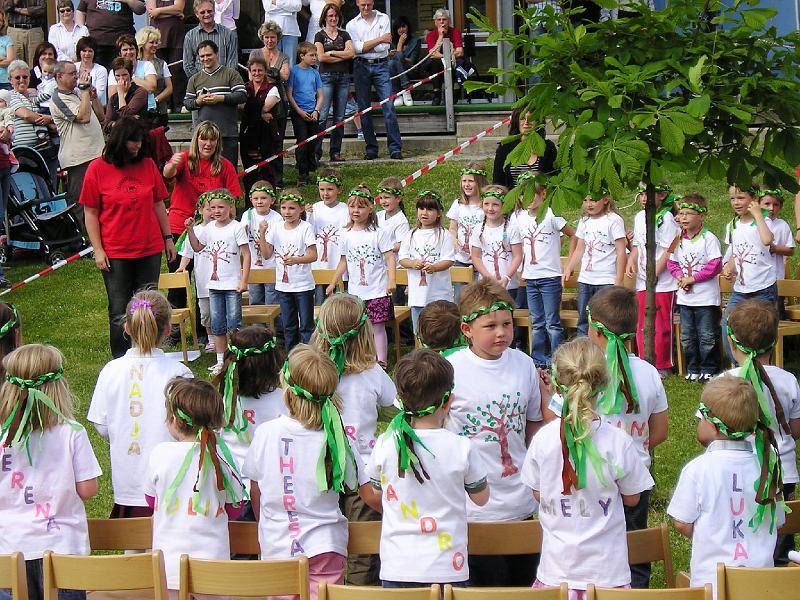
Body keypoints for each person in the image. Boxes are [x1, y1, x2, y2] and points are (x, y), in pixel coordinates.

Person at [522, 337, 654, 595]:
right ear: (604, 385)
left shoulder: (542, 439)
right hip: (607, 577)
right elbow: (633, 498)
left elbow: (537, 492)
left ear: (558, 387)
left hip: (556, 575)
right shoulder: (619, 441)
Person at [243, 344, 371, 597]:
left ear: (287, 392)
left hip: (277, 545)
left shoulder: (266, 433)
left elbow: (255, 489)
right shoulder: (337, 436)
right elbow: (360, 485)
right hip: (326, 545)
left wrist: (263, 523)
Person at [446, 278, 543, 586]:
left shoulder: (524, 364)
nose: (501, 332)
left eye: (507, 323)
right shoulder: (449, 370)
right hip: (474, 509)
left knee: (523, 585)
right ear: (467, 330)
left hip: (520, 501)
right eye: (490, 326)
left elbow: (533, 424)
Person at [365, 349, 489, 588]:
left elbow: (376, 491)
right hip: (448, 568)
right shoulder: (462, 447)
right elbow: (481, 498)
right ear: (449, 400)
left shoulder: (386, 443)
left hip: (397, 567)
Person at [575, 286, 668, 588]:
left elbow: (559, 421)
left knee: (590, 549)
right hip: (635, 480)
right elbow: (660, 431)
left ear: (595, 330)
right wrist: (632, 448)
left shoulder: (582, 373)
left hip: (590, 480)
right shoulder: (650, 373)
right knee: (634, 551)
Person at [0, 344, 102, 600]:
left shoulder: (2, 435)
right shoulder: (72, 432)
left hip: (9, 552)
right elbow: (88, 490)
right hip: (62, 551)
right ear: (58, 387)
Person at [668, 375, 783, 596]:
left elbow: (682, 523)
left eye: (699, 417)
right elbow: (777, 521)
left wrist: (712, 532)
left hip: (712, 589)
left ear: (712, 426)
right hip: (762, 588)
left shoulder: (697, 470)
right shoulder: (767, 470)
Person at [311, 293, 396, 585]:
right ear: (364, 334)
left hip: (323, 471)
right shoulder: (373, 374)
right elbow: (396, 408)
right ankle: (360, 589)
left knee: (325, 541)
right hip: (363, 475)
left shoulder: (309, 374)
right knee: (363, 547)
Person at [87, 291, 192, 519]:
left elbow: (101, 425)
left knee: (132, 551)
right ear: (167, 329)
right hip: (170, 481)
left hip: (129, 481)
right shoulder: (178, 372)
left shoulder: (111, 371)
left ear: (127, 328)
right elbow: (192, 426)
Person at [80, 117, 175, 358]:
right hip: (116, 251)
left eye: (141, 141)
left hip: (149, 248)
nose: (138, 146)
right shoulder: (97, 169)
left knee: (148, 306)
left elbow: (158, 204)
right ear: (120, 141)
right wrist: (98, 249)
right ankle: (121, 360)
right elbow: (90, 213)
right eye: (134, 141)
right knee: (119, 309)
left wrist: (168, 238)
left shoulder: (147, 165)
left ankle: (149, 353)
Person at [145, 376, 247, 594]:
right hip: (214, 566)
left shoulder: (160, 454)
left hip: (167, 568)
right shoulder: (225, 455)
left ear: (174, 419)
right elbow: (235, 508)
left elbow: (151, 500)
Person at [724, 299, 800, 565]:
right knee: (779, 536)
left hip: (736, 473)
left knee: (741, 531)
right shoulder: (788, 380)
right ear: (775, 341)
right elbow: (796, 429)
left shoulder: (724, 383)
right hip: (782, 474)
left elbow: (706, 433)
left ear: (731, 343)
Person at [326, 186, 396, 367]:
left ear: (371, 208)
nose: (356, 211)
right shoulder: (345, 234)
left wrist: (391, 280)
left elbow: (389, 258)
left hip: (377, 289)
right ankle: (360, 358)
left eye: (361, 207)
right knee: (357, 327)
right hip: (356, 291)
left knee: (377, 326)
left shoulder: (379, 233)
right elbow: (344, 260)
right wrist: (333, 282)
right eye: (352, 207)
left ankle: (381, 361)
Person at [184, 189, 250, 377]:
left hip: (232, 285)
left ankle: (238, 358)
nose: (216, 211)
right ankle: (220, 361)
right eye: (213, 208)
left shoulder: (236, 227)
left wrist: (244, 280)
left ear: (230, 207)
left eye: (221, 207)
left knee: (234, 323)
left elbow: (246, 254)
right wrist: (190, 230)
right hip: (214, 286)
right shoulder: (208, 228)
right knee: (218, 324)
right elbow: (197, 247)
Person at [514, 176, 573, 368]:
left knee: (552, 322)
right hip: (531, 278)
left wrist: (568, 262)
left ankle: (557, 358)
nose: (529, 199)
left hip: (550, 277)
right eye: (524, 195)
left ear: (543, 195)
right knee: (537, 321)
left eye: (534, 194)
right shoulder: (519, 218)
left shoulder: (551, 215)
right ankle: (538, 359)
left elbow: (573, 236)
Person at [214, 325, 285, 475]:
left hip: (232, 480)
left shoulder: (221, 400)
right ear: (273, 362)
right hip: (272, 480)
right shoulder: (284, 400)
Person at [626, 182, 681, 376]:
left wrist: (655, 270)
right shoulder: (640, 217)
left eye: (648, 194)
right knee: (642, 322)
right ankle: (644, 362)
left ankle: (662, 365)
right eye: (641, 194)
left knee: (660, 325)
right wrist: (631, 260)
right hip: (643, 281)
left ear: (662, 195)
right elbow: (637, 244)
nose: (643, 198)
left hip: (663, 284)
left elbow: (670, 248)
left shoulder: (666, 218)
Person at [666, 194, 722, 382]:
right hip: (685, 299)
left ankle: (709, 368)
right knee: (687, 336)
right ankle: (693, 367)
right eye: (681, 213)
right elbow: (671, 262)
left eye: (689, 213)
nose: (683, 217)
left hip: (706, 299)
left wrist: (693, 279)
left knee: (706, 335)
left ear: (701, 216)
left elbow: (715, 265)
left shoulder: (709, 238)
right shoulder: (677, 239)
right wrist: (680, 277)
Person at [721, 184, 776, 363]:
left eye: (741, 198)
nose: (736, 203)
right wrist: (730, 267)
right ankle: (739, 364)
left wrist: (758, 214)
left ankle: (762, 366)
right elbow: (736, 252)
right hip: (741, 289)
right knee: (727, 324)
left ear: (753, 199)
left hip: (763, 288)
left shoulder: (763, 220)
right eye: (732, 198)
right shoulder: (733, 225)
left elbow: (767, 240)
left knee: (762, 329)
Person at [259, 189, 318, 350]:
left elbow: (313, 255)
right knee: (288, 325)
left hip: (303, 285)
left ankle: (308, 355)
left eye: (292, 208)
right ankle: (290, 357)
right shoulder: (276, 228)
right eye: (284, 208)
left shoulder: (305, 228)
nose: (287, 212)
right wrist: (262, 234)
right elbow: (266, 254)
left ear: (300, 209)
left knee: (306, 325)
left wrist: (297, 260)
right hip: (283, 286)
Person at [563, 192, 627, 336]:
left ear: (605, 200)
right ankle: (584, 354)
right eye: (585, 200)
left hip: (606, 280)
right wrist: (569, 267)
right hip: (586, 280)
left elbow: (621, 252)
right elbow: (580, 249)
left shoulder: (613, 220)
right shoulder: (584, 221)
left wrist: (618, 279)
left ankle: (605, 354)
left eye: (593, 200)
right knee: (583, 320)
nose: (588, 204)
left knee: (606, 320)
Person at [346, 0, 403, 160]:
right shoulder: (351, 25)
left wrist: (366, 45)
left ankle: (395, 148)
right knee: (364, 108)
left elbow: (384, 47)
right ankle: (371, 148)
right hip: (360, 66)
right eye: (363, 4)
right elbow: (356, 49)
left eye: (369, 4)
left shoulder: (383, 18)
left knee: (389, 106)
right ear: (357, 3)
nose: (366, 8)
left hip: (381, 64)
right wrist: (378, 40)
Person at [50, 60, 105, 225]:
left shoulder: (77, 93)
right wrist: (85, 91)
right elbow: (83, 118)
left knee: (100, 197)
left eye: (76, 73)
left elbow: (101, 117)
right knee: (81, 201)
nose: (76, 77)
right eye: (72, 73)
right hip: (79, 158)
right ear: (59, 76)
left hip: (95, 153)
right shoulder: (58, 98)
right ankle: (79, 241)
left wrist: (92, 97)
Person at [398, 189, 455, 332]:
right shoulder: (411, 235)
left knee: (440, 329)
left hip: (439, 294)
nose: (424, 212)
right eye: (421, 208)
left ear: (439, 213)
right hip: (417, 296)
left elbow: (448, 260)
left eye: (430, 209)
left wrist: (435, 267)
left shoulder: (444, 235)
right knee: (419, 330)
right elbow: (403, 258)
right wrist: (412, 263)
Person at [184, 39, 247, 167]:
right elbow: (187, 103)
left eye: (208, 55)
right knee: (206, 171)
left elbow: (242, 96)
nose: (205, 58)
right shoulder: (194, 79)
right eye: (202, 56)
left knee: (228, 170)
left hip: (227, 133)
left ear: (216, 54)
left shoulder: (231, 74)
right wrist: (198, 101)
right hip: (205, 137)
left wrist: (220, 98)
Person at [313, 2, 352, 163]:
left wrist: (333, 52)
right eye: (330, 16)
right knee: (322, 117)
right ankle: (316, 152)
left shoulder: (345, 35)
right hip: (326, 77)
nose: (333, 18)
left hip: (343, 77)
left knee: (339, 117)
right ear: (325, 17)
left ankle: (335, 152)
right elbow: (321, 57)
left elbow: (351, 54)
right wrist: (342, 54)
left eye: (335, 15)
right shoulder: (319, 35)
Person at [176, 194, 215, 351]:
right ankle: (211, 338)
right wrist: (182, 266)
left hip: (223, 280)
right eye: (208, 209)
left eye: (215, 208)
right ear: (200, 210)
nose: (212, 212)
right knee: (206, 313)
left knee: (222, 311)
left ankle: (227, 338)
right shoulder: (195, 231)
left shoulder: (226, 227)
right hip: (203, 280)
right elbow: (188, 252)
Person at [7, 59, 56, 179]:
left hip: (45, 147)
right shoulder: (10, 95)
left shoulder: (37, 95)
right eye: (17, 78)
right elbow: (25, 114)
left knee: (49, 184)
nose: (22, 80)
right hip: (24, 151)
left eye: (25, 77)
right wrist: (49, 120)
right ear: (10, 80)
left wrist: (50, 119)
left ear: (29, 78)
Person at [240, 57, 283, 190]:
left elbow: (266, 107)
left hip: (267, 136)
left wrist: (253, 108)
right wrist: (261, 113)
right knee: (249, 172)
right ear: (249, 71)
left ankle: (270, 205)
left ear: (265, 71)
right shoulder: (244, 88)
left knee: (268, 172)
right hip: (248, 135)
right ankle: (249, 205)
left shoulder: (273, 89)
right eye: (254, 70)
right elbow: (240, 106)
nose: (257, 73)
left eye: (260, 70)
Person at [471, 185, 523, 295]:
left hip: (508, 285)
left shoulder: (511, 229)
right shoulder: (478, 229)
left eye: (495, 204)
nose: (490, 208)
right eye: (486, 204)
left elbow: (517, 255)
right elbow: (476, 256)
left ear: (504, 206)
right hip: (486, 285)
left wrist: (507, 277)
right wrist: (488, 277)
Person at [241, 181, 282, 311]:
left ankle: (274, 329)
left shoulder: (277, 218)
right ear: (251, 199)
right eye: (256, 198)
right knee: (255, 301)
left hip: (272, 266)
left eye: (263, 198)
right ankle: (257, 329)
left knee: (272, 301)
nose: (259, 201)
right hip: (253, 266)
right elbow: (242, 235)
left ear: (272, 200)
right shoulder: (247, 215)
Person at [492, 107, 557, 189]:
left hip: (540, 199)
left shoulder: (548, 147)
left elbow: (554, 177)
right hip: (512, 200)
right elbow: (497, 182)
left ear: (538, 122)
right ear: (516, 122)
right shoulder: (505, 148)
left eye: (531, 118)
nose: (526, 122)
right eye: (522, 118)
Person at [287, 41, 323, 186]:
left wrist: (316, 110)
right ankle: (302, 172)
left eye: (315, 55)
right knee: (302, 141)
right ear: (302, 56)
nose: (314, 58)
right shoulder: (294, 71)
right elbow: (290, 94)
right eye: (311, 55)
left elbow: (320, 95)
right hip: (299, 112)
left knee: (312, 141)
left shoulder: (315, 73)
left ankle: (310, 168)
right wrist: (299, 111)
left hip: (312, 112)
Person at [447, 162, 486, 287]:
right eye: (464, 181)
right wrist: (453, 238)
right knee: (460, 297)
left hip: (481, 259)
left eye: (471, 181)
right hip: (461, 259)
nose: (466, 185)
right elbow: (453, 227)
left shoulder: (486, 205)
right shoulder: (458, 204)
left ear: (479, 182)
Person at [76, 0, 146, 68]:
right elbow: (81, 11)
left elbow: (141, 9)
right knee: (97, 75)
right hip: (95, 44)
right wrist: (82, 32)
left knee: (120, 74)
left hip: (122, 44)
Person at [145, 0, 185, 112]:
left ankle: (179, 104)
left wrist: (159, 11)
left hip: (176, 34)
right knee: (160, 70)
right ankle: (166, 104)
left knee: (177, 69)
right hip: (158, 34)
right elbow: (152, 12)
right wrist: (174, 12)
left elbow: (179, 8)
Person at [182, 0, 238, 79]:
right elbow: (187, 65)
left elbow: (233, 63)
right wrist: (201, 81)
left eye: (209, 11)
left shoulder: (228, 34)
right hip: (200, 86)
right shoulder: (190, 36)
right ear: (196, 14)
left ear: (214, 11)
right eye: (202, 12)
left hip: (224, 84)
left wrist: (224, 80)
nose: (206, 14)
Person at [422, 8, 463, 106]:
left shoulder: (455, 32)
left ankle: (453, 94)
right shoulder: (431, 35)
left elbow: (460, 52)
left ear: (448, 21)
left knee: (450, 64)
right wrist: (440, 36)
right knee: (435, 63)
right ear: (435, 22)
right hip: (438, 64)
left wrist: (446, 57)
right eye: (439, 20)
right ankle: (437, 94)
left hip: (454, 63)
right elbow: (432, 54)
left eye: (444, 19)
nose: (442, 22)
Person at [136, 26, 172, 122]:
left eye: (156, 42)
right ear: (143, 44)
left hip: (160, 111)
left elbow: (169, 88)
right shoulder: (135, 63)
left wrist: (155, 100)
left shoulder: (162, 63)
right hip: (139, 111)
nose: (155, 45)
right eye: (151, 42)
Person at [103, 57, 149, 129]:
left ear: (130, 74)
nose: (121, 79)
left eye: (124, 75)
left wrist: (121, 94)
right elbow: (106, 125)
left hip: (136, 136)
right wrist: (121, 123)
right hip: (118, 137)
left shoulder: (140, 91)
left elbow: (125, 114)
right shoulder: (113, 98)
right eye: (118, 76)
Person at [388, 15, 419, 105]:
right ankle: (399, 94)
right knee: (391, 64)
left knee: (398, 56)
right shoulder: (391, 42)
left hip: (411, 70)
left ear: (408, 27)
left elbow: (412, 61)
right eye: (399, 27)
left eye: (403, 26)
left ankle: (406, 89)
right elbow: (390, 61)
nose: (401, 29)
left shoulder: (415, 41)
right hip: (395, 72)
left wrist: (400, 46)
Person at [4, 0, 44, 67]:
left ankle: (34, 78)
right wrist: (15, 2)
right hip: (15, 30)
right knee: (15, 64)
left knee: (35, 63)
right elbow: (6, 7)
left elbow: (41, 10)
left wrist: (16, 9)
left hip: (34, 31)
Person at [261, 0, 301, 67]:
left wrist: (276, 2)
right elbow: (267, 7)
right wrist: (288, 10)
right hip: (271, 30)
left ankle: (289, 78)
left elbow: (297, 6)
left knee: (290, 64)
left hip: (290, 30)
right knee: (273, 62)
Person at [75, 36, 108, 106]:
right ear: (79, 52)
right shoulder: (73, 67)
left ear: (94, 53)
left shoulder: (101, 70)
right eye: (84, 51)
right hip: (75, 105)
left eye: (90, 51)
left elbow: (98, 95)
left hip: (96, 107)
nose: (87, 54)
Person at [0, 10, 14, 91]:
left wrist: (7, 59)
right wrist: (3, 58)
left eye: (0, 20)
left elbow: (10, 61)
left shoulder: (7, 39)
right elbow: (7, 59)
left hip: (5, 81)